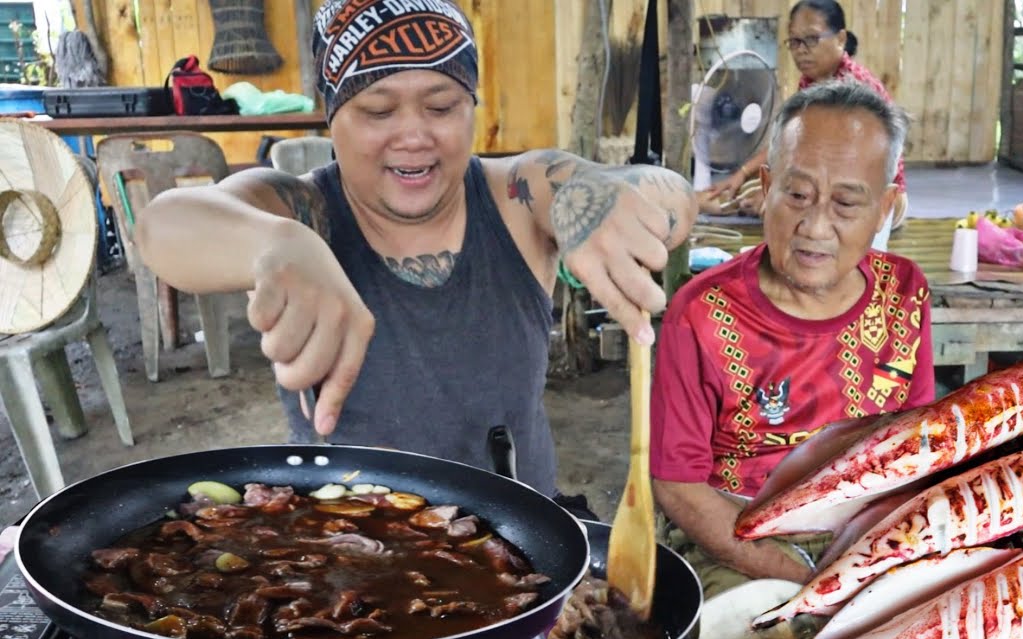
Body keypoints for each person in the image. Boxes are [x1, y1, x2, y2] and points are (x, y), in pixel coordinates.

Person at [132, 0, 697, 503]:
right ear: (333, 118)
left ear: (471, 106)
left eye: (442, 106)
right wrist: (275, 242)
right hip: (348, 544)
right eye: (378, 111)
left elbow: (668, 192)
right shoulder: (302, 209)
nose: (414, 136)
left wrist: (600, 193)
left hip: (520, 538)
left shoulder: (515, 197)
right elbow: (164, 226)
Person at [651, 80, 935, 598]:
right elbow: (679, 484)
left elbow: (914, 450)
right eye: (797, 195)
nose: (816, 227)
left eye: (847, 203)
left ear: (886, 208)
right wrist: (814, 582)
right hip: (739, 534)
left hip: (869, 533)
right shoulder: (700, 314)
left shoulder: (904, 293)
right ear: (766, 187)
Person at [700, 0, 909, 250]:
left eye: (811, 39)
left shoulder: (854, 91)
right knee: (754, 193)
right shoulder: (811, 83)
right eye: (795, 42)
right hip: (827, 185)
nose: (801, 50)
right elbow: (791, 140)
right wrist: (742, 174)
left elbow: (841, 171)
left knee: (775, 203)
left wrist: (781, 193)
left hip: (872, 199)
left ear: (840, 39)